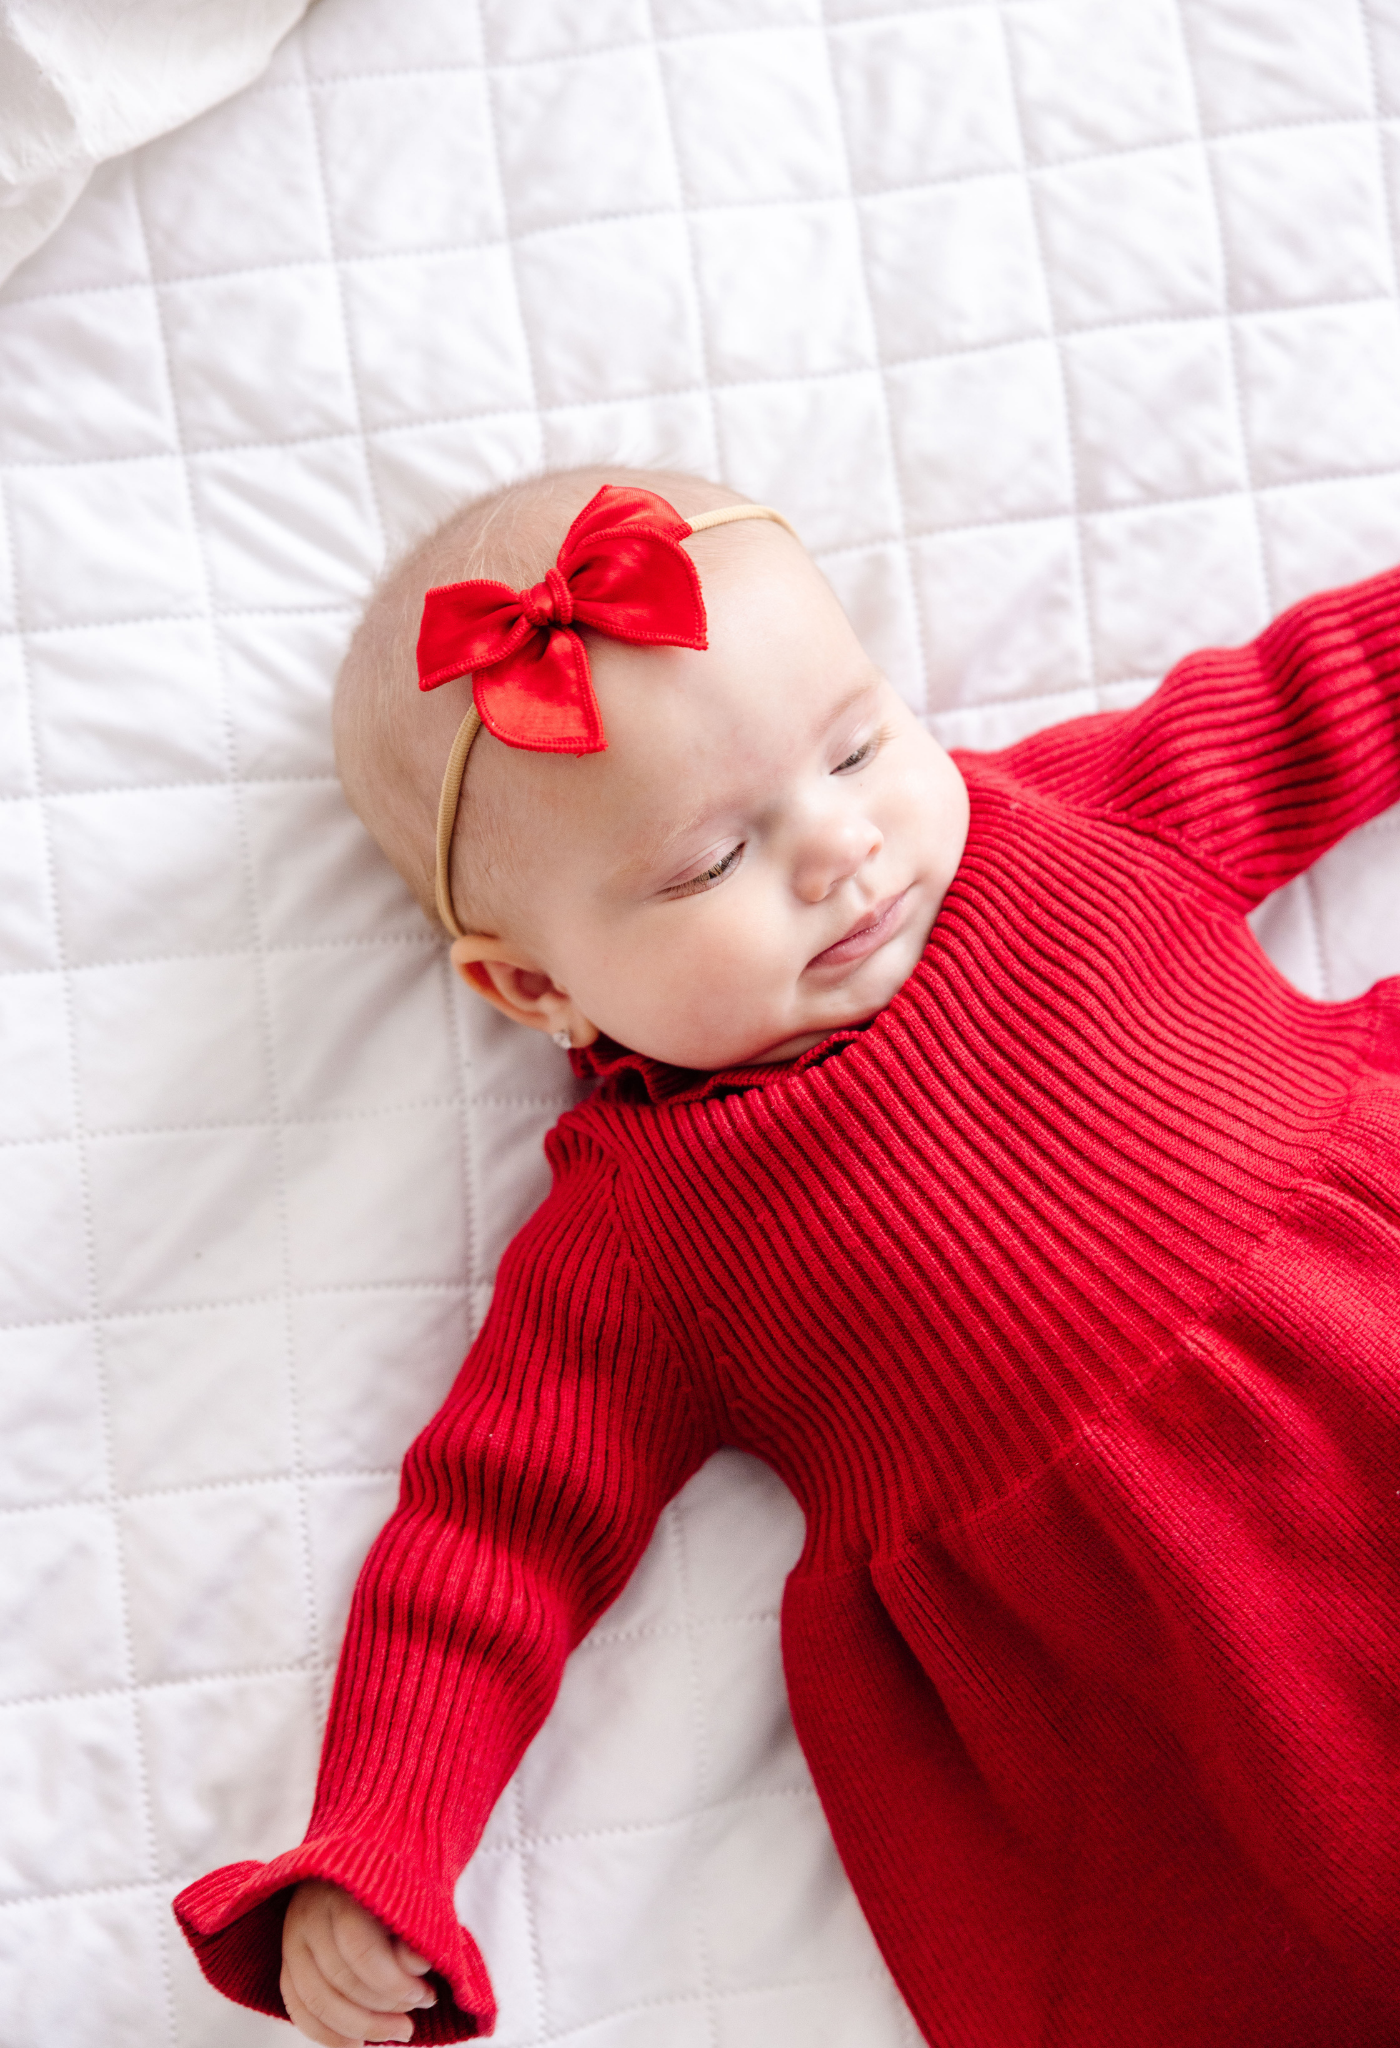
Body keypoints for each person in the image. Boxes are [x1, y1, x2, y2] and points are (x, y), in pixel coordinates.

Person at [175, 467, 1400, 2047]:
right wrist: (377, 1839)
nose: (840, 848)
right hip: (1202, 1649)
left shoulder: (1075, 824)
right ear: (534, 987)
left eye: (858, 745)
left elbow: (1315, 699)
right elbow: (484, 1549)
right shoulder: (646, 1230)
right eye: (704, 866)